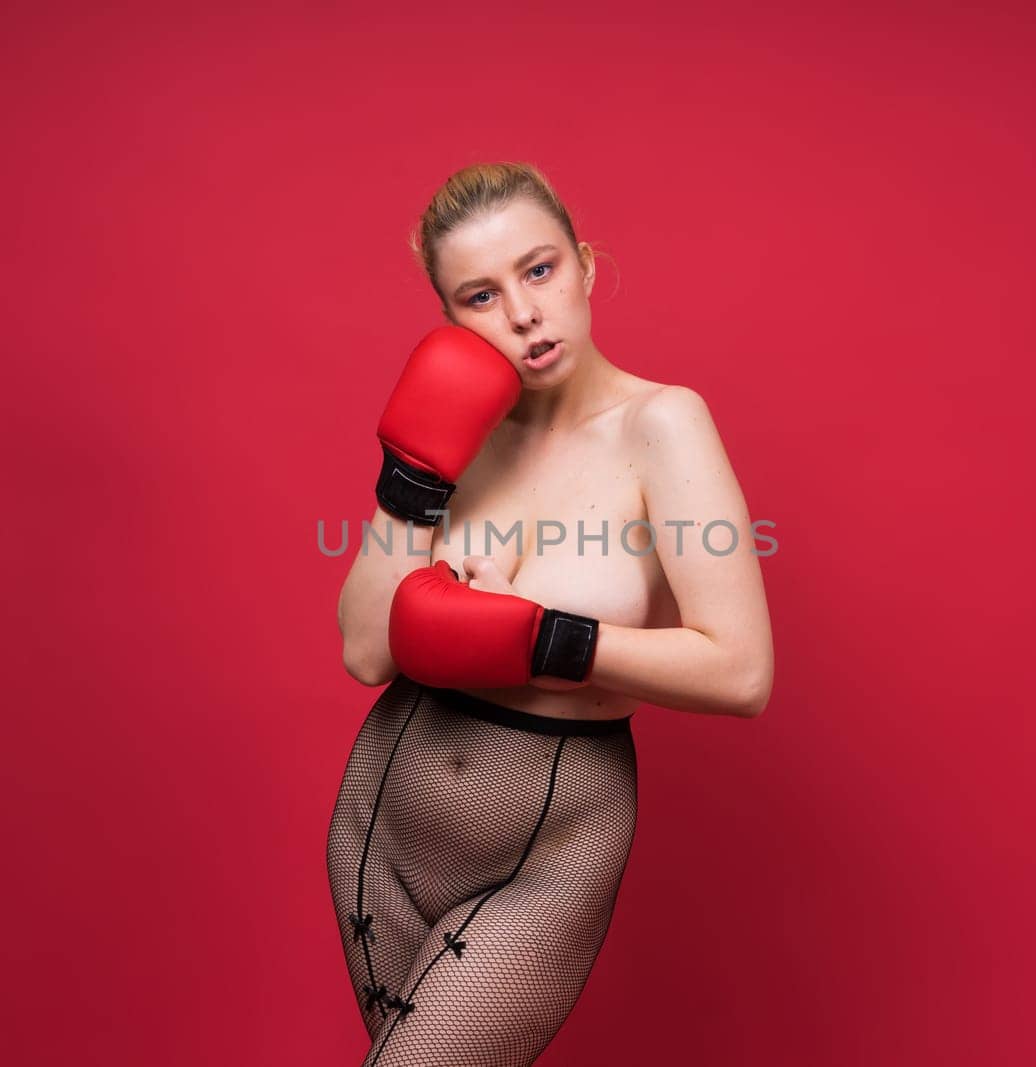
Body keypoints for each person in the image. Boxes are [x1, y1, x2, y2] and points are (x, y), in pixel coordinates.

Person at [328, 161, 774, 1066]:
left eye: (539, 271)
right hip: (379, 824)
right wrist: (410, 482)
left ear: (585, 266)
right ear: (449, 319)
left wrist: (548, 637)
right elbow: (367, 653)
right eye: (480, 295)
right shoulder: (457, 425)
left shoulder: (662, 425)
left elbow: (742, 672)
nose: (523, 313)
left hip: (549, 841)